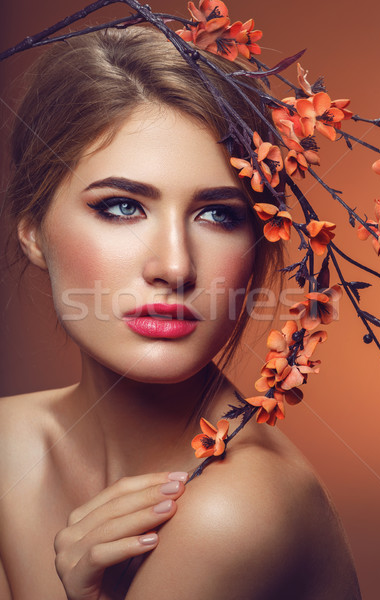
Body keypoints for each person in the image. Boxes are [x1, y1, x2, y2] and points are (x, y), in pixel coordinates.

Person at [0, 22, 361, 600]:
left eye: (219, 215)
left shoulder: (237, 509)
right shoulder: (8, 442)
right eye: (121, 206)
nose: (174, 266)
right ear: (33, 232)